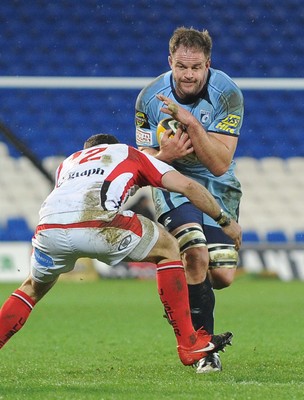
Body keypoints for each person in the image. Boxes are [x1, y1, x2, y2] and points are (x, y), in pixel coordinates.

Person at [0, 133, 241, 369]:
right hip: (96, 222)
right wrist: (224, 220)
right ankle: (189, 343)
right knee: (168, 247)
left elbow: (106, 186)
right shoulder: (126, 152)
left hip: (49, 228)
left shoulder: (69, 163)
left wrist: (161, 156)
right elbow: (187, 185)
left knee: (31, 288)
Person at [135, 26, 244, 373]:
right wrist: (164, 154)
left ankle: (184, 294)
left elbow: (219, 162)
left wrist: (190, 123)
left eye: (196, 68)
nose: (188, 75)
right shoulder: (148, 99)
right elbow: (142, 157)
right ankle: (203, 348)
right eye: (181, 66)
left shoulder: (227, 94)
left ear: (208, 64)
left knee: (222, 275)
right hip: (172, 180)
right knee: (195, 254)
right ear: (170, 61)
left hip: (216, 184)